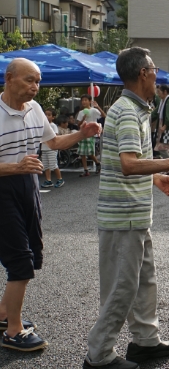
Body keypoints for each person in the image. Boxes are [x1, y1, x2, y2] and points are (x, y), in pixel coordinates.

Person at [83, 47, 169, 369]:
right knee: (122, 287)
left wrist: (157, 178)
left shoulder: (136, 108)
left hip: (133, 215)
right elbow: (128, 165)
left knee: (143, 279)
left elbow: (126, 161)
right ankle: (98, 355)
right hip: (123, 216)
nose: (157, 75)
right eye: (154, 69)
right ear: (143, 73)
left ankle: (145, 340)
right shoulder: (127, 111)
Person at [0, 58, 101, 352]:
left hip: (28, 186)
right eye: (29, 80)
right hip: (3, 189)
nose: (35, 87)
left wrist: (82, 134)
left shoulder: (34, 111)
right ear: (9, 78)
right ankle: (13, 332)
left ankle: (5, 314)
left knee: (32, 253)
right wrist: (14, 168)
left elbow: (53, 143)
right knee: (20, 261)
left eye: (38, 81)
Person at [77, 95, 106, 177]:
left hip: (91, 133)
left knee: (90, 152)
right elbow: (78, 124)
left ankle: (97, 163)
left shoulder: (93, 110)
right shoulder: (81, 112)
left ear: (90, 101)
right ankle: (85, 170)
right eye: (82, 100)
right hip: (82, 133)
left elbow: (104, 116)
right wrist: (83, 118)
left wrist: (98, 107)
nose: (84, 102)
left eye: (86, 100)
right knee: (82, 153)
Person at [40, 108, 64, 189]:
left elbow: (55, 136)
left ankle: (60, 179)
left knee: (53, 165)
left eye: (49, 115)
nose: (46, 116)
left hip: (52, 149)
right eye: (45, 114)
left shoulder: (53, 125)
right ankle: (48, 180)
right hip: (44, 148)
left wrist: (46, 140)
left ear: (53, 117)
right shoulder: (42, 125)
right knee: (45, 166)